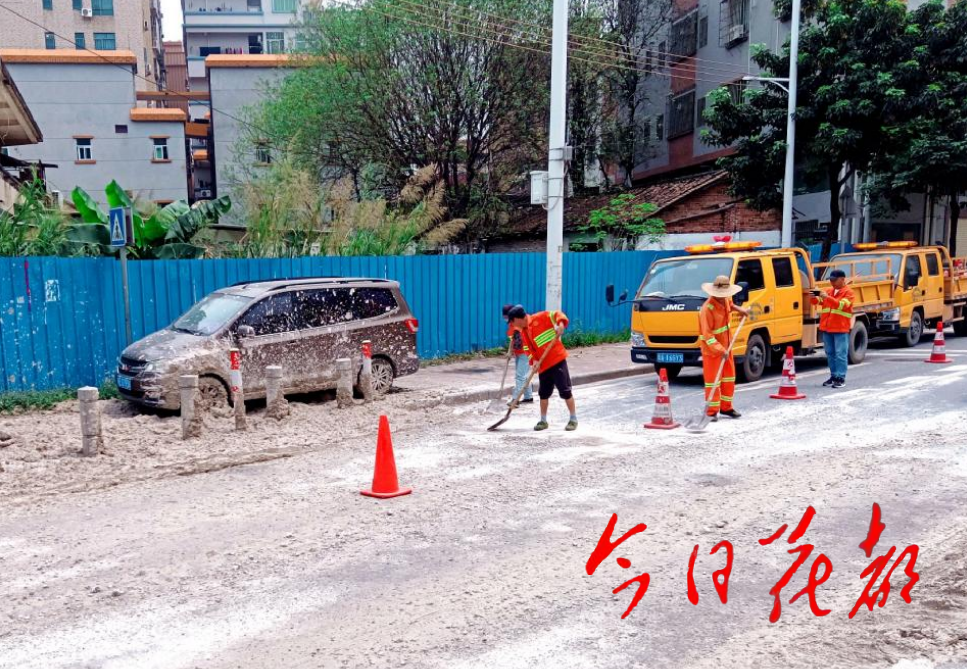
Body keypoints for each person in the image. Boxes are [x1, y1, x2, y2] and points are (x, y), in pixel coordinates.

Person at [507, 304, 577, 431]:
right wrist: (533, 361)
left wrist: (561, 324)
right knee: (543, 393)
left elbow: (557, 314)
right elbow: (527, 349)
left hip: (557, 360)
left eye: (512, 321)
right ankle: (543, 421)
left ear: (519, 319)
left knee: (565, 391)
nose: (512, 324)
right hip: (543, 365)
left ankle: (573, 419)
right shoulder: (523, 331)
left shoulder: (541, 317)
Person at [699, 275, 752, 420]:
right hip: (712, 351)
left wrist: (740, 310)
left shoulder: (726, 299)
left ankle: (726, 407)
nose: (723, 297)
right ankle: (711, 412)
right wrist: (720, 350)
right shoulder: (707, 309)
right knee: (713, 381)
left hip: (726, 348)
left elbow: (731, 305)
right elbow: (708, 336)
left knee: (729, 378)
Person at [815, 269, 854, 388]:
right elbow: (815, 301)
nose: (832, 282)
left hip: (840, 329)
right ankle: (833, 376)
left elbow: (840, 305)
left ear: (842, 279)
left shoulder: (849, 293)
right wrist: (813, 292)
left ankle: (840, 378)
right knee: (830, 354)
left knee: (840, 354)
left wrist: (827, 297)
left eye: (834, 280)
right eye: (831, 280)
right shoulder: (828, 291)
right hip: (827, 328)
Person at [502, 304, 533, 404]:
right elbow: (513, 339)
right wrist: (510, 351)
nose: (506, 319)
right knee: (523, 375)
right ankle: (528, 396)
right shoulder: (512, 323)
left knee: (520, 376)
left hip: (526, 352)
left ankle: (515, 399)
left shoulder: (520, 322)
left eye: (506, 317)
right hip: (519, 352)